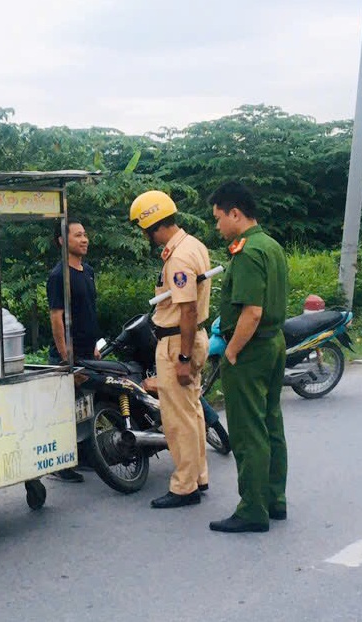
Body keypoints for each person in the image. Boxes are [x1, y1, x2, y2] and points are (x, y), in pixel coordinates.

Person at [207, 181, 289, 534]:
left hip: (251, 348)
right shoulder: (271, 246)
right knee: (270, 422)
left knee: (247, 429)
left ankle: (252, 510)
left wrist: (231, 351)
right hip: (274, 343)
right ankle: (274, 500)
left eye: (218, 218)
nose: (217, 226)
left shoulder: (248, 252)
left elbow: (251, 312)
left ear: (235, 213)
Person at [129, 190, 211, 509]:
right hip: (189, 336)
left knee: (178, 419)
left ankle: (184, 487)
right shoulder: (193, 245)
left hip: (179, 340)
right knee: (192, 412)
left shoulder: (178, 256)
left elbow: (187, 309)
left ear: (151, 224)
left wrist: (183, 358)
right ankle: (198, 476)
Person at [46, 218, 101, 483]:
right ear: (62, 241)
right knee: (67, 409)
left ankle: (85, 454)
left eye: (85, 234)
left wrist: (94, 346)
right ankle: (62, 464)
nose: (84, 239)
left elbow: (90, 309)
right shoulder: (59, 275)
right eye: (78, 235)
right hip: (69, 355)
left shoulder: (87, 271)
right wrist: (66, 357)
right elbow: (56, 317)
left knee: (84, 405)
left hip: (88, 350)